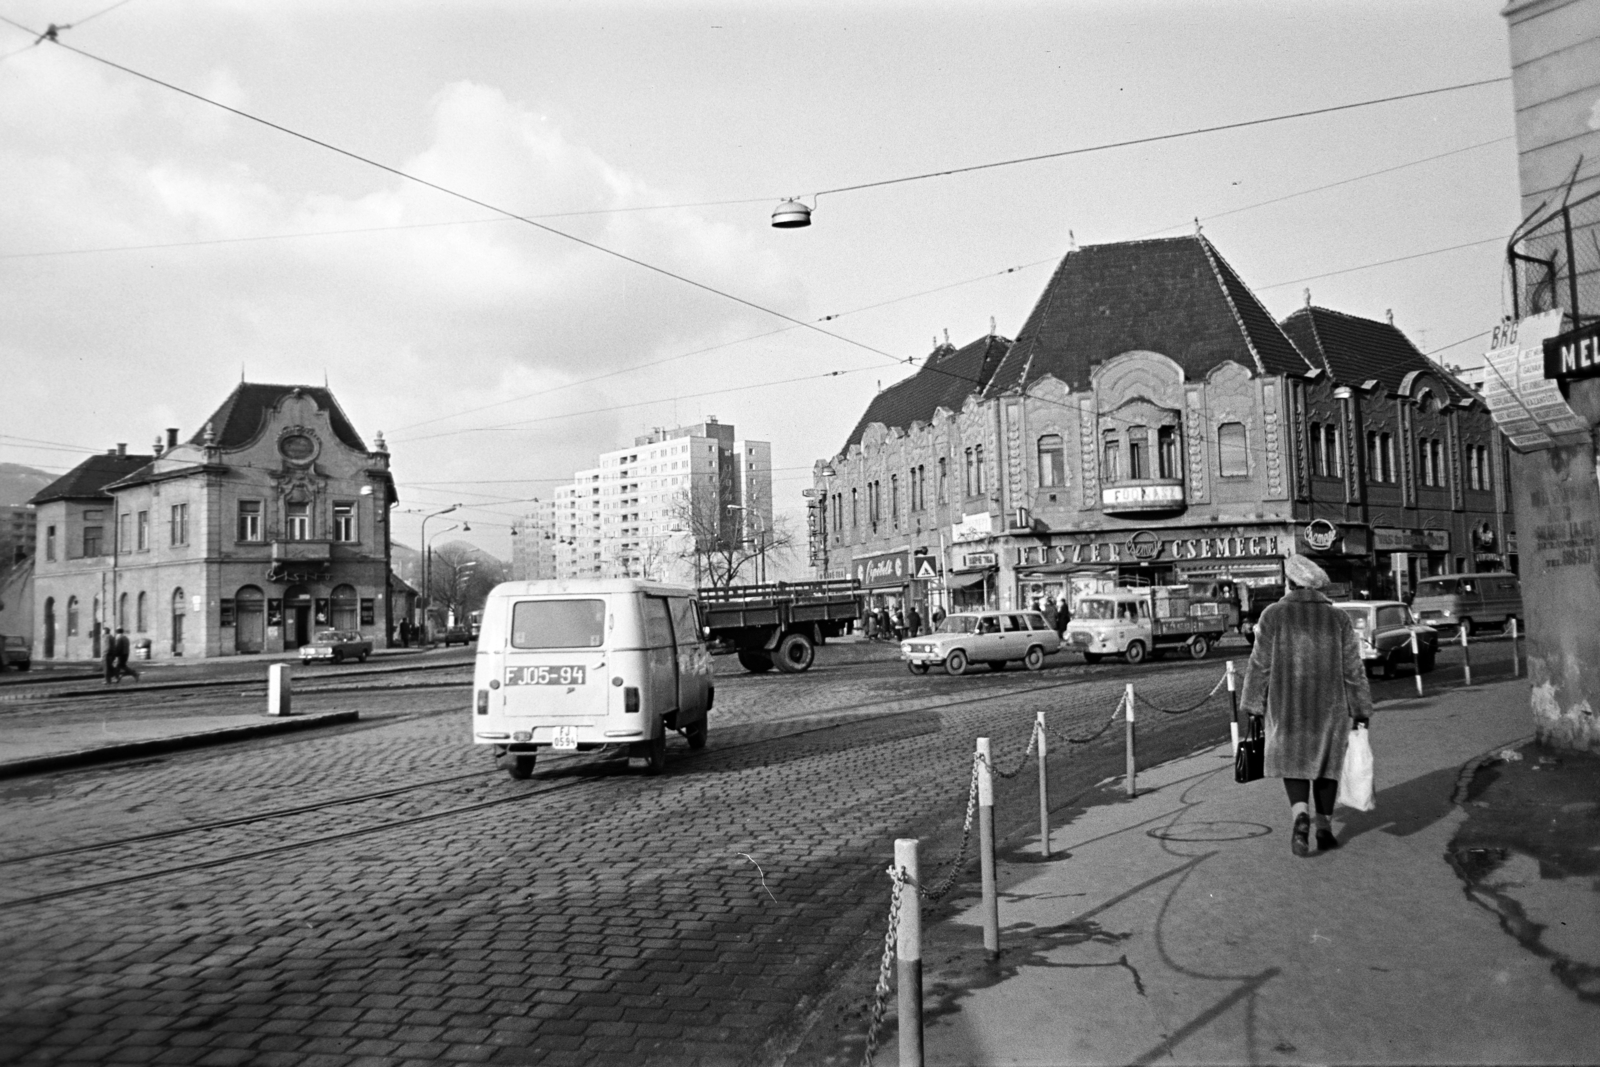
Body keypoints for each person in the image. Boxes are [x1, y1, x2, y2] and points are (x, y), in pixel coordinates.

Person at [1239, 553, 1372, 856]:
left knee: (1294, 762)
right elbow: (1353, 670)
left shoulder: (1273, 615)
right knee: (1327, 767)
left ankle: (1301, 817)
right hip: (1330, 709)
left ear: (1290, 583)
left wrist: (1253, 706)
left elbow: (1259, 665)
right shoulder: (1338, 618)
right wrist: (1361, 709)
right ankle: (1324, 829)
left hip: (1288, 707)